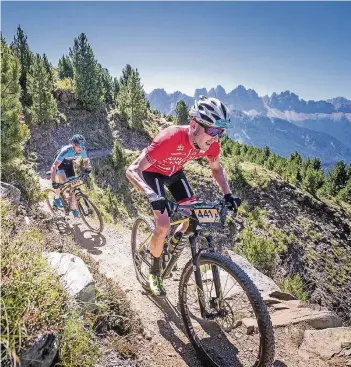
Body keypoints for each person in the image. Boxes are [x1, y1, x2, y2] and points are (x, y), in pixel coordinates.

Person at [126, 96, 241, 296]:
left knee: (195, 215)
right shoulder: (169, 138)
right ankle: (154, 272)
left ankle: (172, 241)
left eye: (220, 132)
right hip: (152, 174)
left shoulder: (212, 144)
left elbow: (216, 169)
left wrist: (228, 195)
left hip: (174, 174)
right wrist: (152, 194)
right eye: (212, 130)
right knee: (162, 224)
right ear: (194, 124)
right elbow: (133, 170)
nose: (216, 137)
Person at [50, 134, 91, 217]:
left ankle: (73, 207)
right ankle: (56, 197)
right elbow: (54, 166)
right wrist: (53, 182)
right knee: (63, 181)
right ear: (73, 144)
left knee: (72, 185)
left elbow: (86, 160)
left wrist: (87, 169)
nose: (81, 148)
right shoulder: (66, 150)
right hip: (60, 165)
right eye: (79, 145)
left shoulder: (82, 149)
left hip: (69, 165)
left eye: (82, 145)